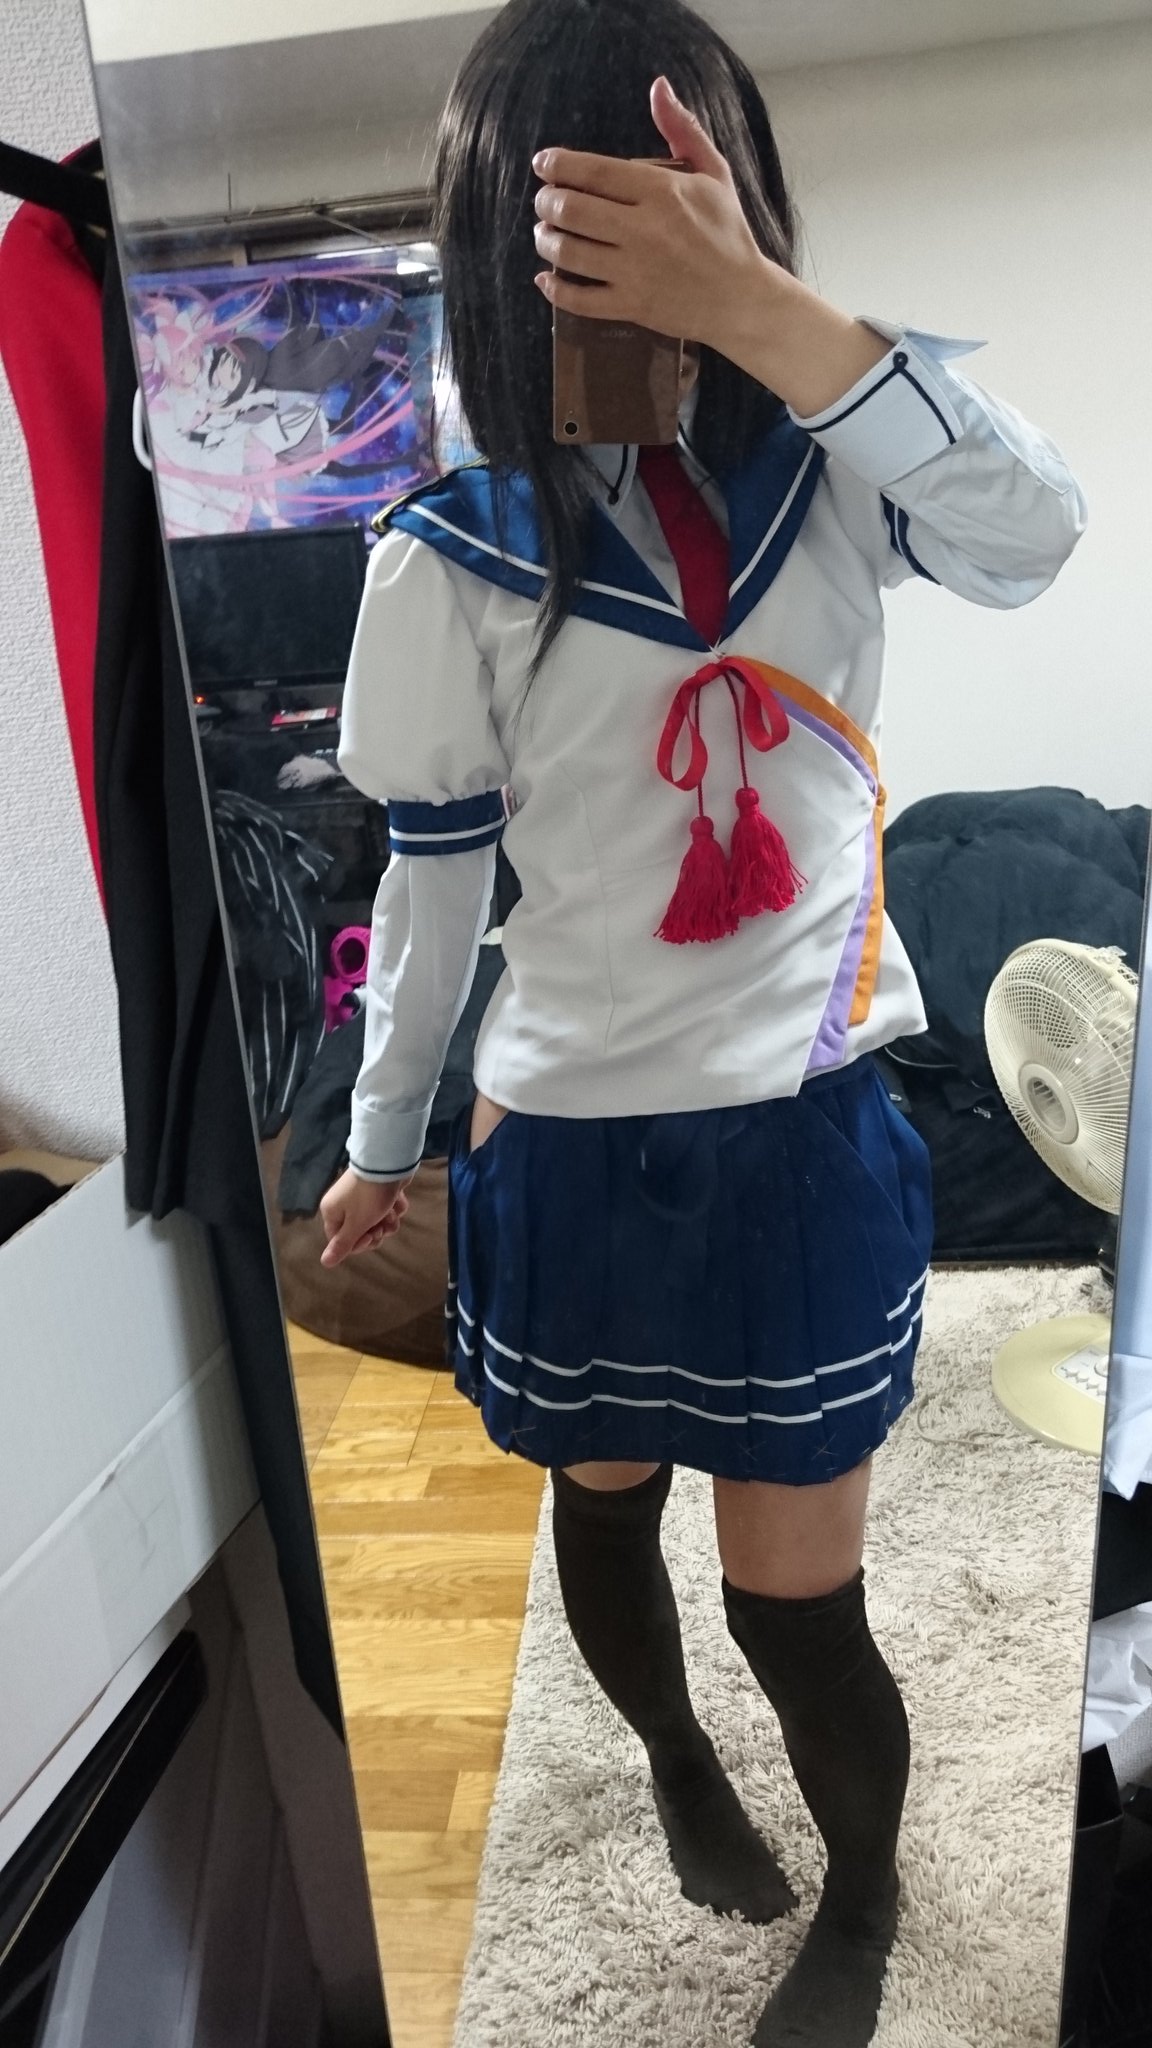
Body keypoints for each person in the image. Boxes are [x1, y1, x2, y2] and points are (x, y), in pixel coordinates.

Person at [319, 2, 1086, 2042]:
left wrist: (764, 316)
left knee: (798, 1602)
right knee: (605, 1507)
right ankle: (668, 1756)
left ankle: (868, 1894)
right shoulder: (447, 551)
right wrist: (384, 1142)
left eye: (673, 205)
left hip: (798, 1136)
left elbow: (1040, 530)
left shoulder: (842, 475)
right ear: (501, 247)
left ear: (740, 197)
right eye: (576, 221)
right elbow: (431, 891)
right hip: (561, 1143)